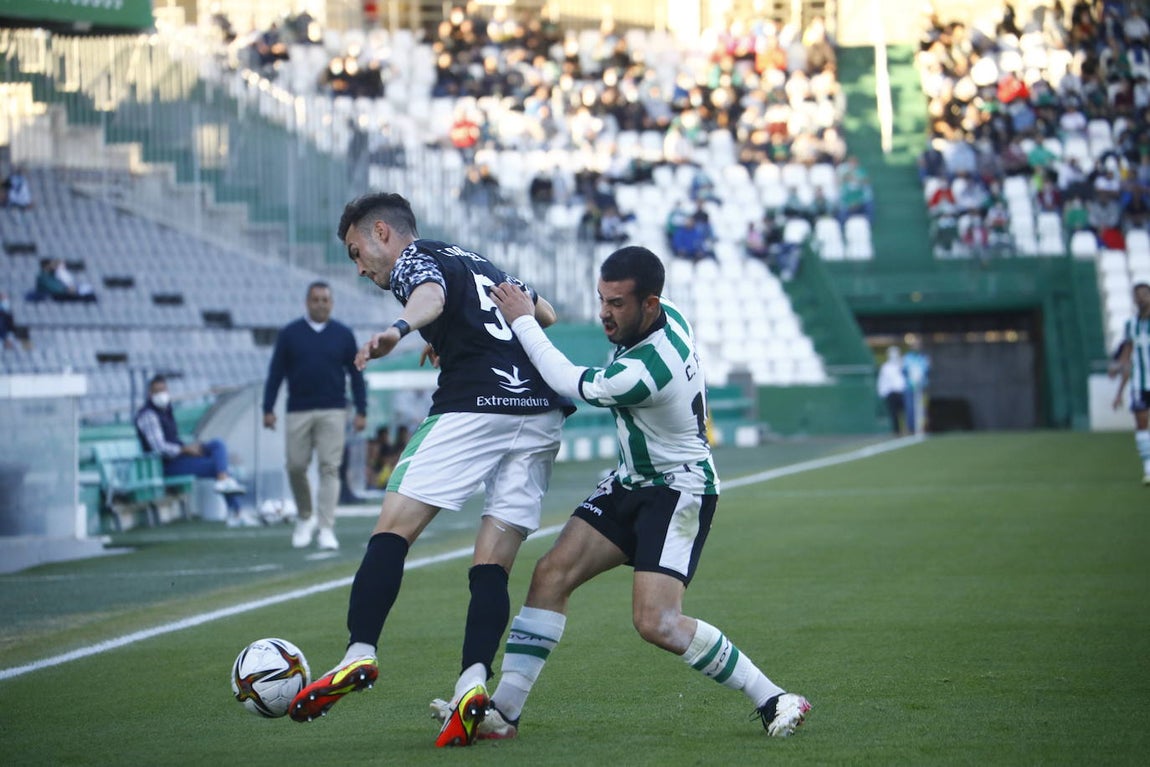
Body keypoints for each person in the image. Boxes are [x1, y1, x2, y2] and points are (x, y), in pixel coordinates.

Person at [449, 246, 810, 742]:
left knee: (657, 622)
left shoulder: (647, 370)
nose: (604, 313)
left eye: (617, 303)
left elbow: (566, 379)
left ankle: (773, 697)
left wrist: (523, 321)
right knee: (551, 575)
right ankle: (503, 714)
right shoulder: (663, 316)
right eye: (602, 299)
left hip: (677, 489)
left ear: (650, 304)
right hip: (631, 479)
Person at [288, 192, 573, 749]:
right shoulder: (477, 261)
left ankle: (359, 651)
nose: (359, 267)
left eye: (356, 252)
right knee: (492, 564)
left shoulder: (414, 258)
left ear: (382, 232)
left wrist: (400, 330)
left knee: (393, 529)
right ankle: (472, 682)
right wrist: (453, 334)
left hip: (476, 404)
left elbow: (430, 295)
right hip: (540, 414)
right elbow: (545, 313)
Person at [262, 281, 367, 551]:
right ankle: (305, 516)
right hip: (298, 409)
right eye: (316, 299)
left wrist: (361, 409)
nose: (320, 304)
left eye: (325, 300)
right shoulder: (290, 334)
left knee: (329, 468)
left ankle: (326, 527)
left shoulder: (343, 334)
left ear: (331, 303)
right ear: (307, 302)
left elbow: (356, 374)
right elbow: (276, 373)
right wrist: (268, 408)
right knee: (295, 466)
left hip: (333, 409)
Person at [134, 375, 253, 527]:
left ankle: (226, 486)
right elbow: (159, 447)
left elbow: (172, 439)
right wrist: (184, 449)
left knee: (217, 445)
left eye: (163, 390)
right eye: (156, 391)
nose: (161, 394)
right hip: (166, 465)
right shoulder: (148, 415)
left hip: (180, 457)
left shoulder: (166, 410)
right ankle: (236, 511)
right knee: (218, 468)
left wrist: (190, 448)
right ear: (150, 394)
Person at [1110, 282, 1150, 485]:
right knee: (1142, 425)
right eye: (1137, 295)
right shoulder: (1130, 325)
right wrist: (1119, 391)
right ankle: (1148, 469)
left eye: (1144, 294)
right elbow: (1126, 357)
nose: (1141, 298)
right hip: (1139, 384)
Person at [902, 336, 931, 435]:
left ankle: (923, 428)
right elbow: (904, 371)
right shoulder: (907, 358)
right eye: (915, 345)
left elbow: (926, 371)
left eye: (918, 345)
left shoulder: (924, 358)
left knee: (923, 408)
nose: (917, 347)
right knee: (910, 408)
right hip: (910, 387)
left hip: (922, 387)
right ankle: (911, 428)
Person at [876, 346, 907, 435]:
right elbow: (882, 381)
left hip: (902, 392)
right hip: (891, 393)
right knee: (894, 413)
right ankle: (896, 431)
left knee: (905, 412)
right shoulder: (886, 367)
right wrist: (882, 392)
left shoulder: (903, 364)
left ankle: (907, 428)